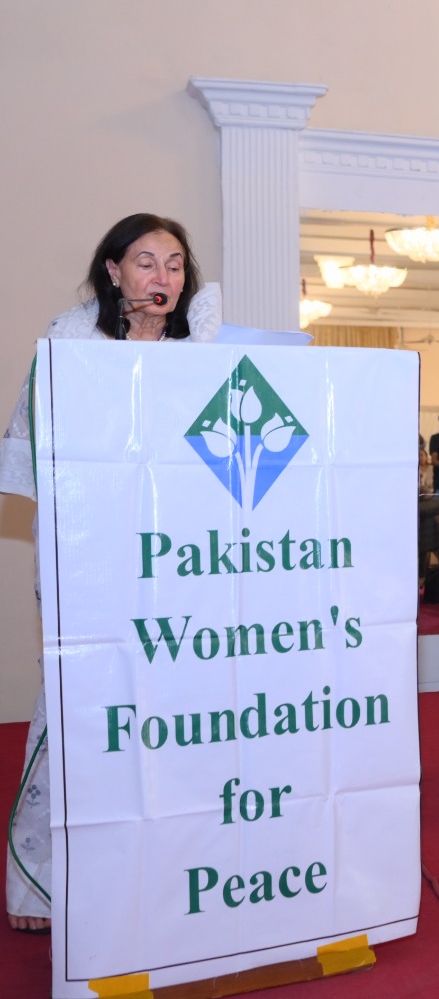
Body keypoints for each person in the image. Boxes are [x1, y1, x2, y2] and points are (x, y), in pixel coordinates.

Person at [2, 213, 221, 934]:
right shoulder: (74, 341)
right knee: (85, 704)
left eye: (175, 264)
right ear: (114, 271)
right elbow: (42, 445)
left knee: (177, 705)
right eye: (146, 262)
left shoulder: (200, 350)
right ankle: (42, 883)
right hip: (91, 549)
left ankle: (168, 866)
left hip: (182, 555)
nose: (163, 277)